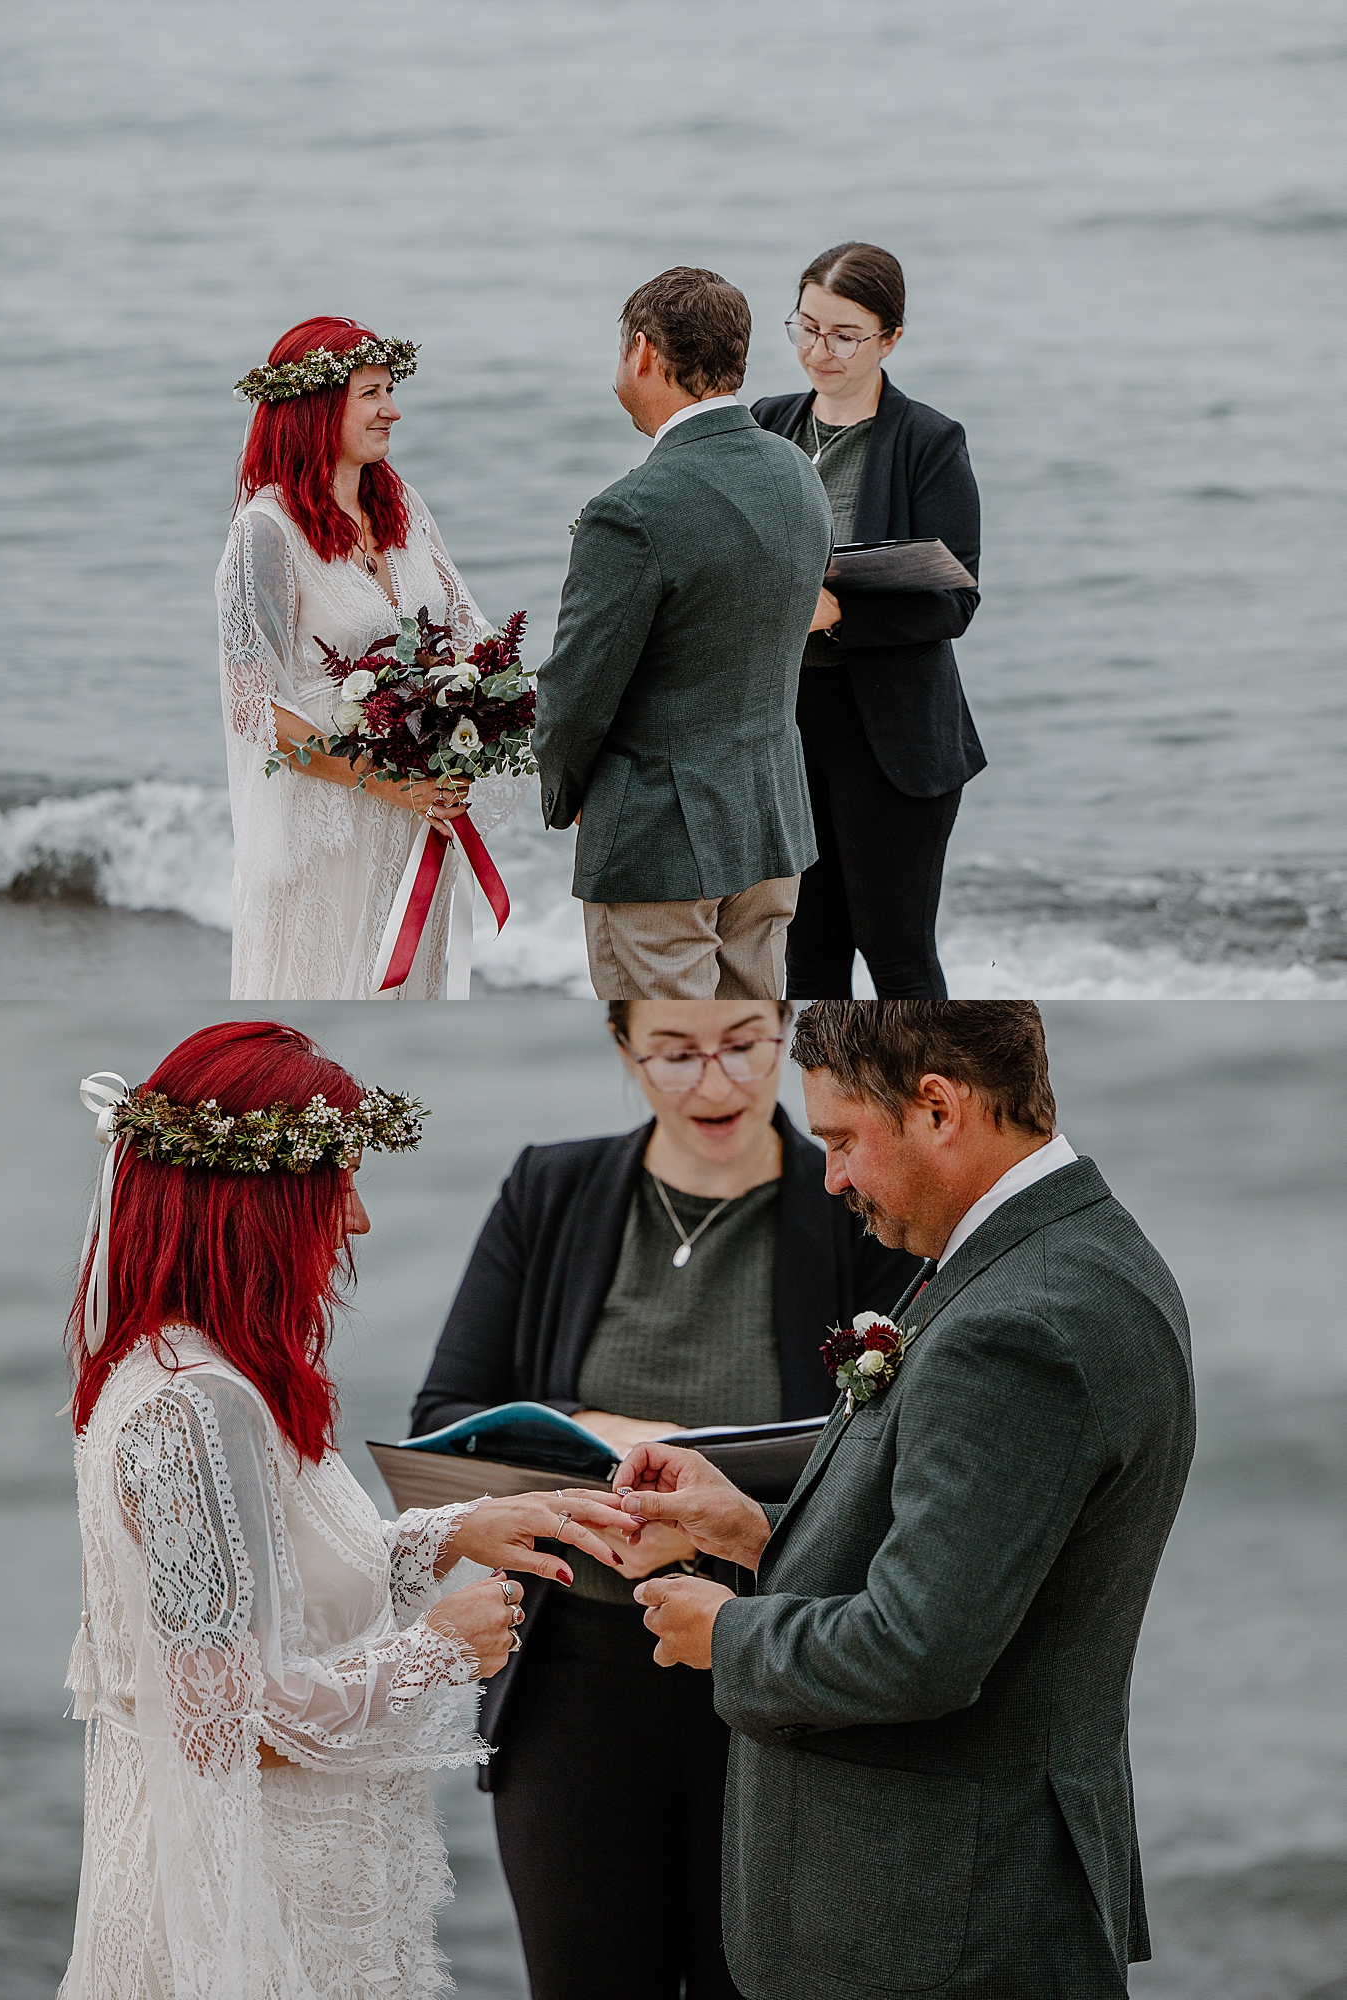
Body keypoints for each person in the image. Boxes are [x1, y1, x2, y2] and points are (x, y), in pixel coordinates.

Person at [612, 1001, 1196, 1999]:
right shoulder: (1057, 1254)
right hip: (965, 1900)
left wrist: (732, 1632)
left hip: (935, 1929)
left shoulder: (1021, 1321)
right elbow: (976, 1569)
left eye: (842, 1138)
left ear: (939, 1105)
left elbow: (919, 1648)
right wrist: (757, 1534)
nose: (832, 1174)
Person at [57, 1021, 628, 2000]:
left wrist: (449, 1532)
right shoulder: (200, 1407)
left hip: (272, 1877)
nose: (357, 1222)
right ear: (264, 1206)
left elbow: (268, 1593)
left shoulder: (173, 1366)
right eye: (340, 1187)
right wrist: (438, 1647)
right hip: (249, 1916)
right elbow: (221, 1725)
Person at [410, 1000, 921, 2000]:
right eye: (675, 1053)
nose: (716, 1081)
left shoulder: (856, 1197)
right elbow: (447, 1418)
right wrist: (617, 1459)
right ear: (623, 1048)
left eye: (742, 1043)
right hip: (572, 1682)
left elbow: (894, 1448)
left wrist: (711, 1520)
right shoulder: (547, 1187)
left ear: (783, 1029)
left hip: (773, 1669)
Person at [533, 268, 835, 1002]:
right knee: (750, 1040)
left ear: (642, 352)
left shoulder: (629, 511)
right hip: (769, 824)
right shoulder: (797, 471)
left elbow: (577, 690)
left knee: (670, 1046)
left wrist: (563, 789)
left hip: (657, 844)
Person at [218, 317, 525, 999]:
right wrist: (386, 782)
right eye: (373, 393)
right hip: (330, 821)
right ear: (316, 408)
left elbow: (469, 633)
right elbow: (253, 706)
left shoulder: (403, 506)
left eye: (390, 390)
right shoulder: (265, 535)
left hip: (418, 814)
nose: (394, 409)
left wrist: (468, 728)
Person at [752, 244, 987, 1000]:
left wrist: (838, 614)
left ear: (891, 338)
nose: (820, 350)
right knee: (806, 959)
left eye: (845, 334)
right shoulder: (765, 425)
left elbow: (955, 599)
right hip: (783, 730)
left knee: (898, 957)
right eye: (807, 327)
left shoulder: (928, 440)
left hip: (892, 734)